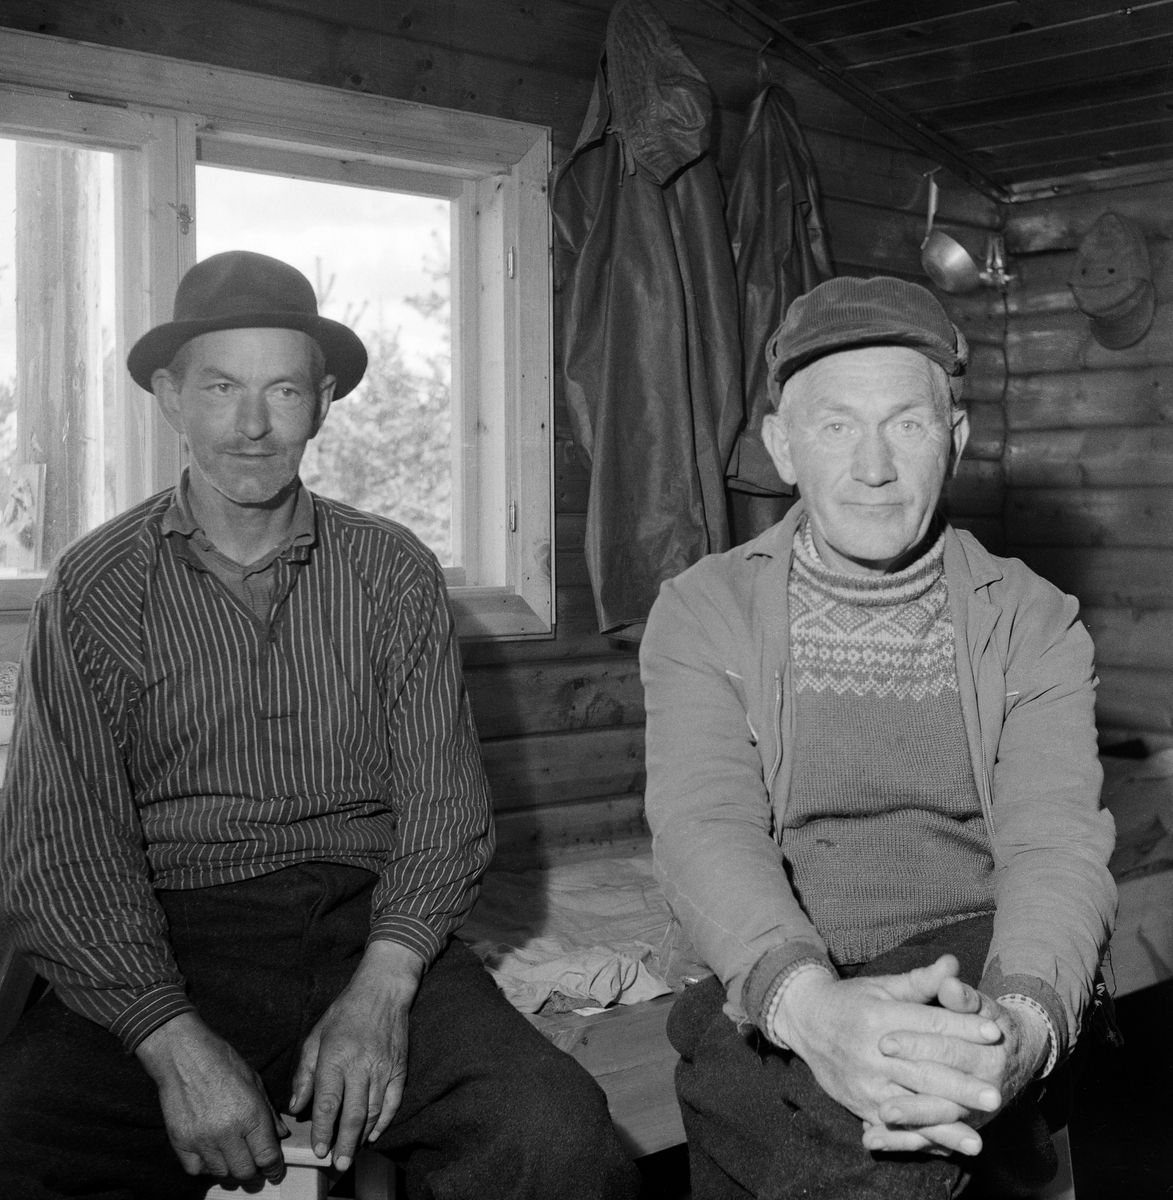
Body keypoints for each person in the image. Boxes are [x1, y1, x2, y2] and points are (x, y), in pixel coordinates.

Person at [0, 251, 640, 1200]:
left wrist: (384, 989)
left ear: (325, 399)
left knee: (555, 1139)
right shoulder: (95, 587)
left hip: (367, 929)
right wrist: (171, 1044)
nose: (252, 425)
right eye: (220, 387)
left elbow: (442, 810)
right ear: (171, 398)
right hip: (167, 933)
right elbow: (63, 850)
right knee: (20, 1144)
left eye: (283, 389)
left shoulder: (391, 573)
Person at [640, 276, 1117, 1199]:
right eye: (834, 427)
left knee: (891, 1139)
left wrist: (1021, 1026)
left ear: (957, 439)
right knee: (754, 1110)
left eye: (907, 424)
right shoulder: (703, 610)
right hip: (778, 955)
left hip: (968, 952)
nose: (872, 467)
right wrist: (807, 1004)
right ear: (782, 445)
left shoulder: (1033, 618)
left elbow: (1052, 843)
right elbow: (705, 826)